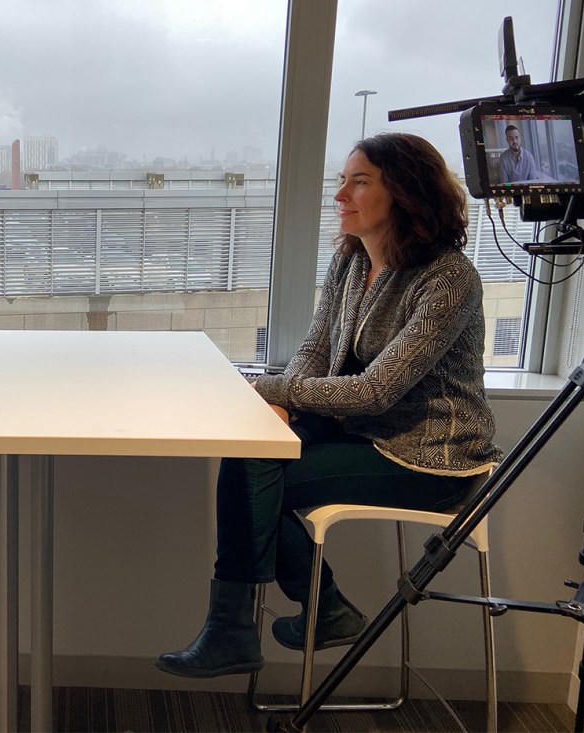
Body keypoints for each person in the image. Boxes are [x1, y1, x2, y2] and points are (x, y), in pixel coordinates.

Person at [155, 132, 503, 678]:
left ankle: (257, 624)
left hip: (430, 458)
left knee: (253, 481)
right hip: (362, 434)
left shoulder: (450, 279)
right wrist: (286, 413)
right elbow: (315, 353)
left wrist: (265, 393)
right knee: (251, 453)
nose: (340, 195)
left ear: (406, 193)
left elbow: (376, 391)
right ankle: (315, 610)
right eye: (342, 181)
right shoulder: (349, 263)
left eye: (359, 182)